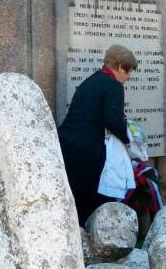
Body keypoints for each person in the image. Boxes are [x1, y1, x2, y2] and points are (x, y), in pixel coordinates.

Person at [58, 44, 137, 224]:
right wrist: (130, 140)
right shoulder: (114, 86)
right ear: (120, 67)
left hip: (66, 145)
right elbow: (113, 121)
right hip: (87, 153)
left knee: (72, 203)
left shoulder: (91, 80)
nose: (129, 76)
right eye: (129, 71)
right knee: (90, 208)